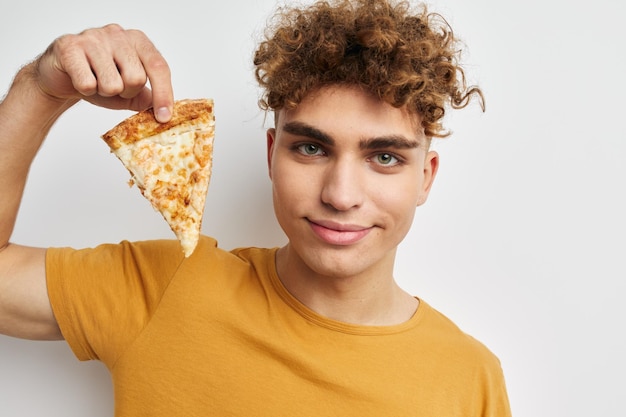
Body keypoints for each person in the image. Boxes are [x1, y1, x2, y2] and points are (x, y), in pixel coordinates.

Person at [0, 0, 511, 415]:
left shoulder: (469, 380)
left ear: (426, 177)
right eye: (311, 148)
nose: (340, 194)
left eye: (384, 156)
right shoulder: (167, 288)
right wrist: (40, 90)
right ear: (272, 155)